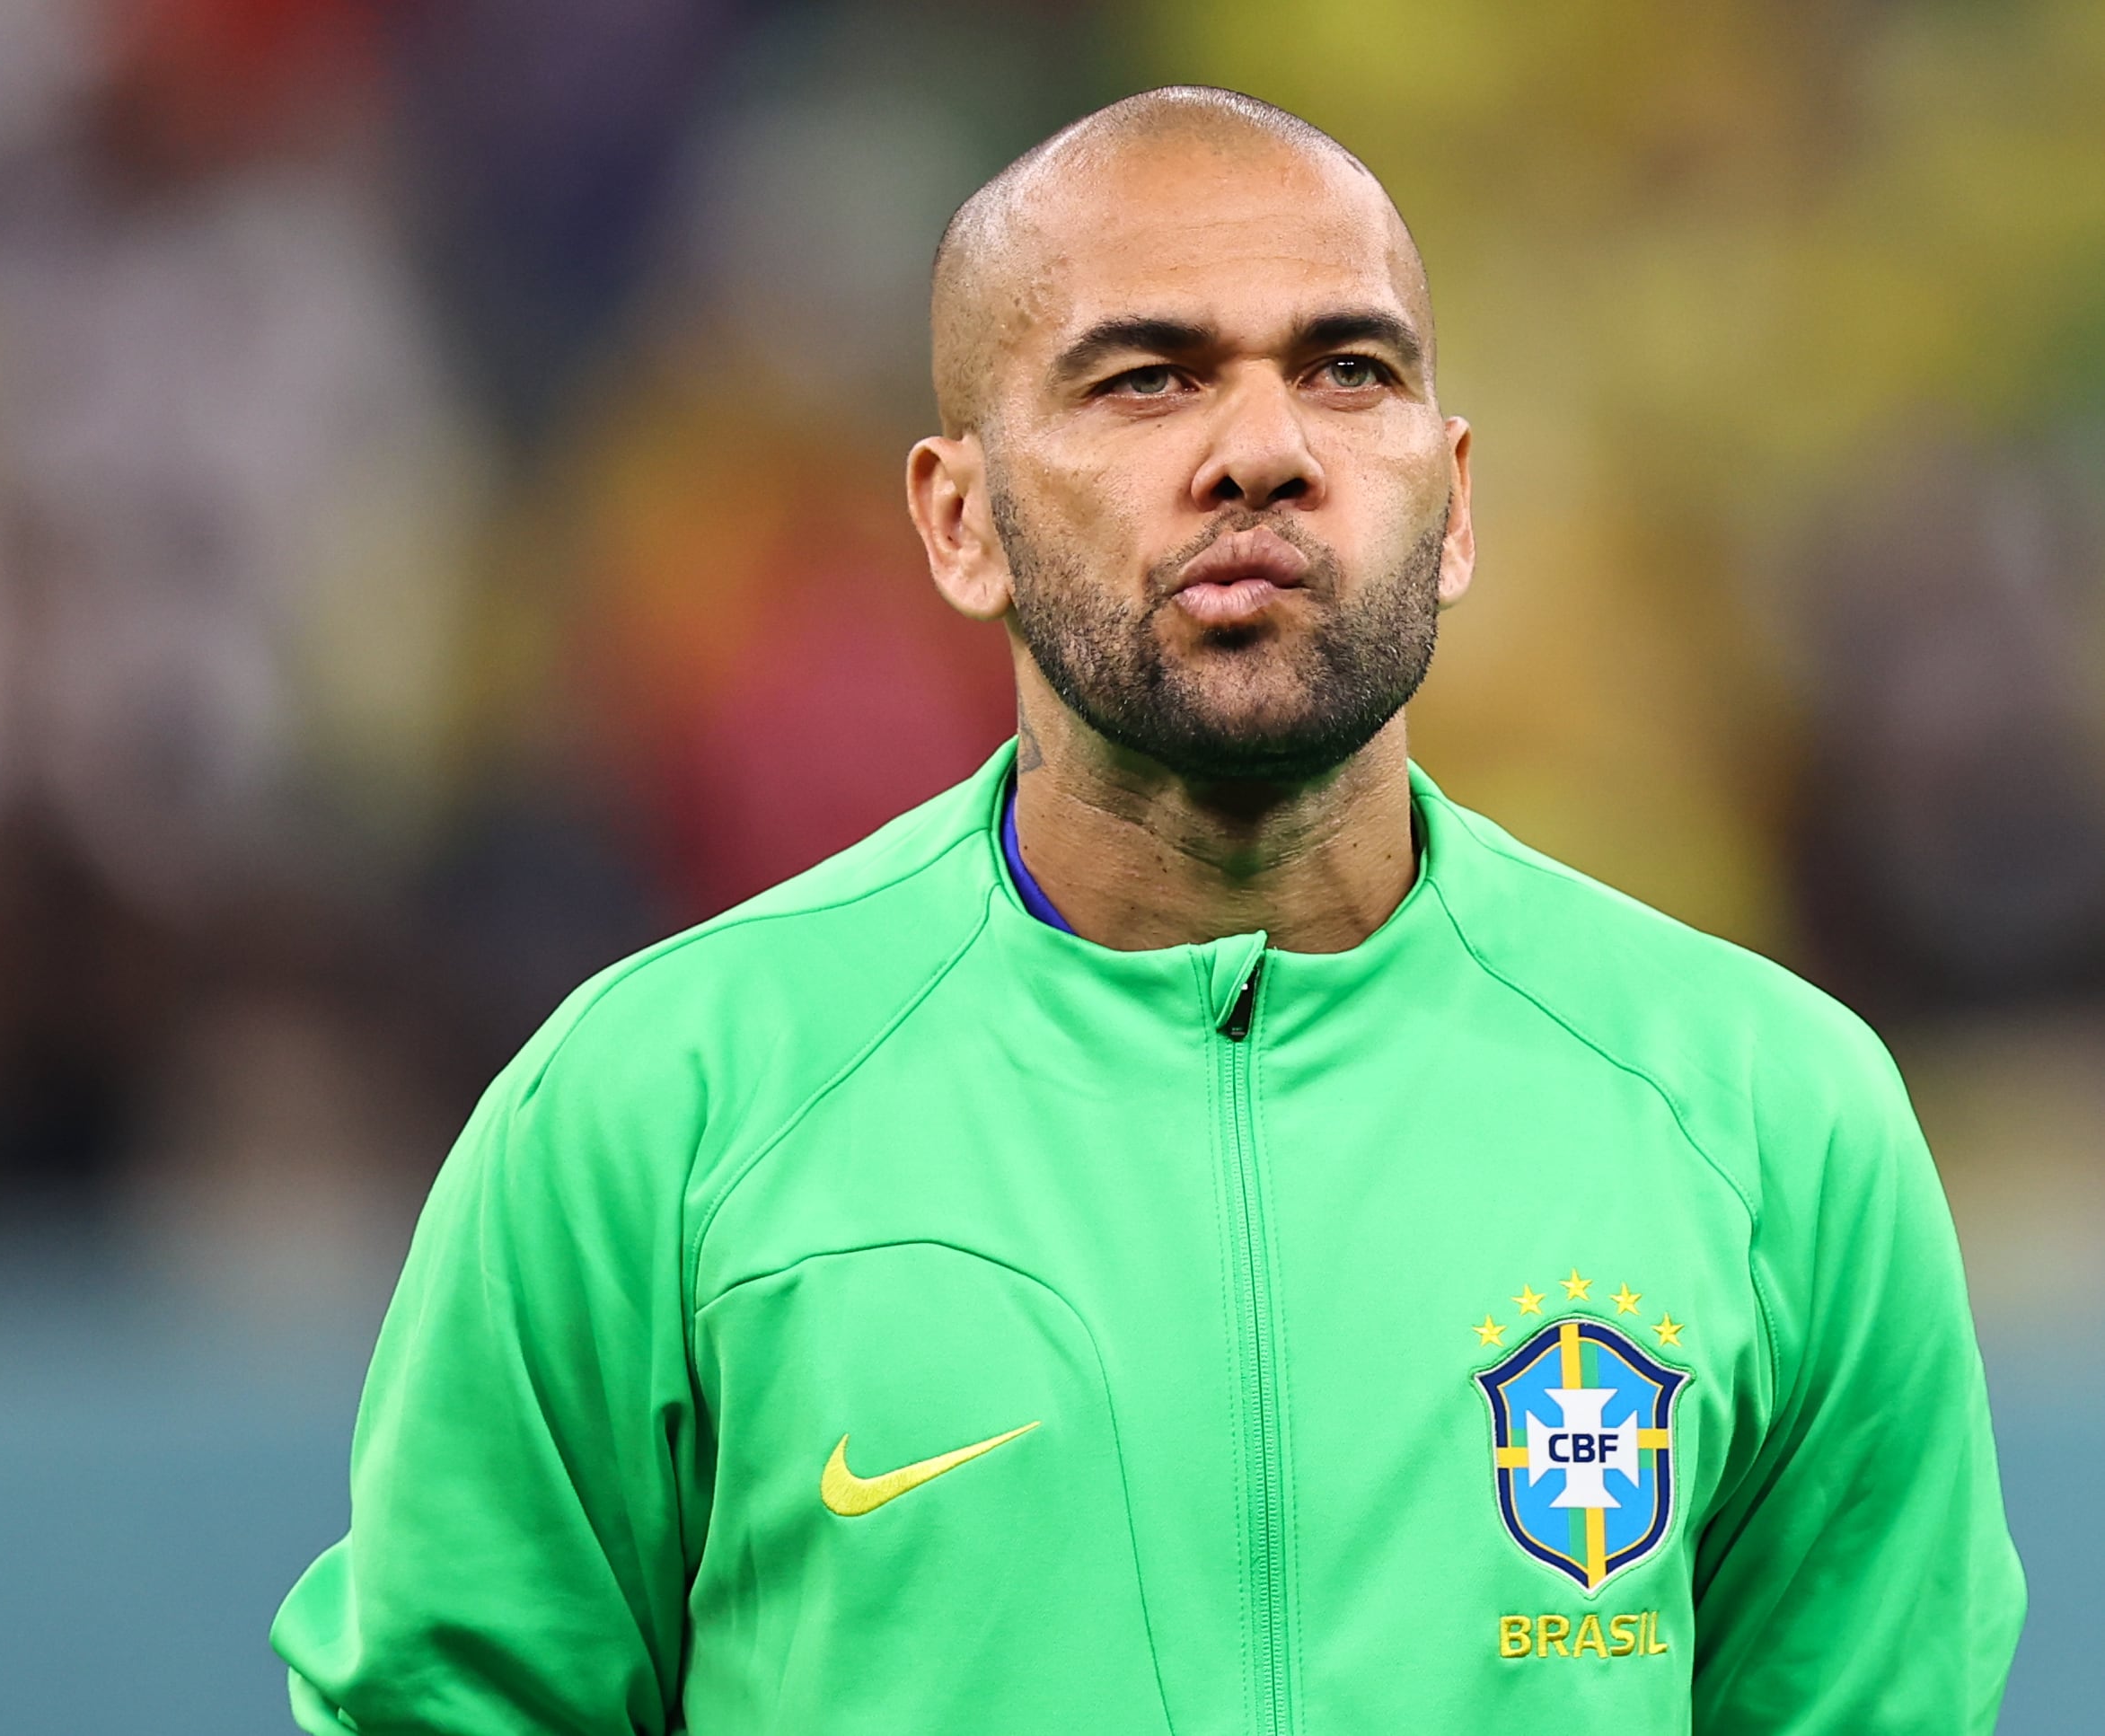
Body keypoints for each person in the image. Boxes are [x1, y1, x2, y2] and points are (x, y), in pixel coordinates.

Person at [272, 87, 2022, 1732]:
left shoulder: (1770, 1118)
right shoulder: (658, 1110)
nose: (1261, 447)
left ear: (1455, 499)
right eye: (1142, 380)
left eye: (1346, 371)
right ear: (960, 522)